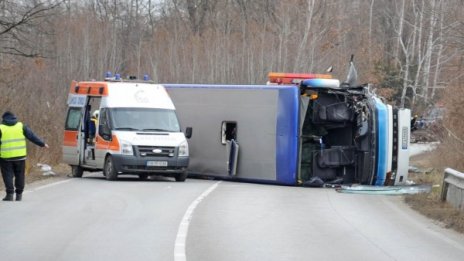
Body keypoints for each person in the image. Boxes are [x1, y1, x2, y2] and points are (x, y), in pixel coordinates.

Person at [0, 111, 49, 201]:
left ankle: (10, 195)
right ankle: (19, 195)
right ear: (14, 117)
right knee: (20, 175)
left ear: (3, 119)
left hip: (5, 157)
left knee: (7, 175)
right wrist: (42, 144)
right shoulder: (21, 126)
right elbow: (32, 136)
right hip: (20, 156)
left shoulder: (1, 128)